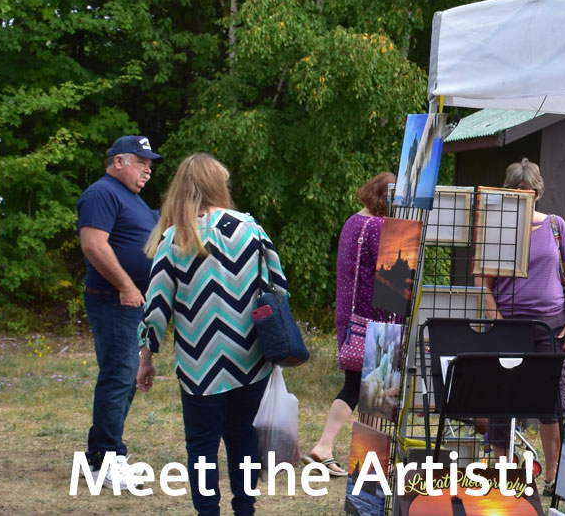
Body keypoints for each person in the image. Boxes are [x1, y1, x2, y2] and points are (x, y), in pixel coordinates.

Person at [137, 153, 286, 516]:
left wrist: (147, 357)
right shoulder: (251, 228)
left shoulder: (174, 238)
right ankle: (245, 509)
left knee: (201, 447)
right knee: (242, 439)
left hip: (198, 366)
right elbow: (279, 289)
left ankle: (208, 512)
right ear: (218, 184)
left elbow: (157, 307)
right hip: (251, 359)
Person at [475, 158, 565, 492]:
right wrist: (497, 320)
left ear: (536, 193)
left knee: (552, 402)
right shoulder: (497, 228)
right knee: (503, 400)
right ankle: (504, 473)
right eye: (516, 192)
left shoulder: (556, 226)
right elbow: (482, 282)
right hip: (510, 326)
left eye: (528, 193)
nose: (522, 198)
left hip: (552, 325)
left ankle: (553, 475)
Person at [77, 135, 160, 484]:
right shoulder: (102, 193)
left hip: (134, 302)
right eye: (142, 162)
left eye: (151, 165)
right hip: (115, 299)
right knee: (117, 377)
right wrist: (126, 285)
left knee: (124, 380)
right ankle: (107, 462)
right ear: (119, 161)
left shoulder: (133, 199)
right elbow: (93, 245)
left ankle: (99, 454)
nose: (148, 170)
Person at [306, 172, 399, 477]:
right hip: (376, 319)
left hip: (350, 318)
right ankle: (366, 465)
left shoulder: (352, 222)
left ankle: (325, 447)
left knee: (354, 386)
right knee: (374, 395)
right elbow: (394, 283)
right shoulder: (380, 228)